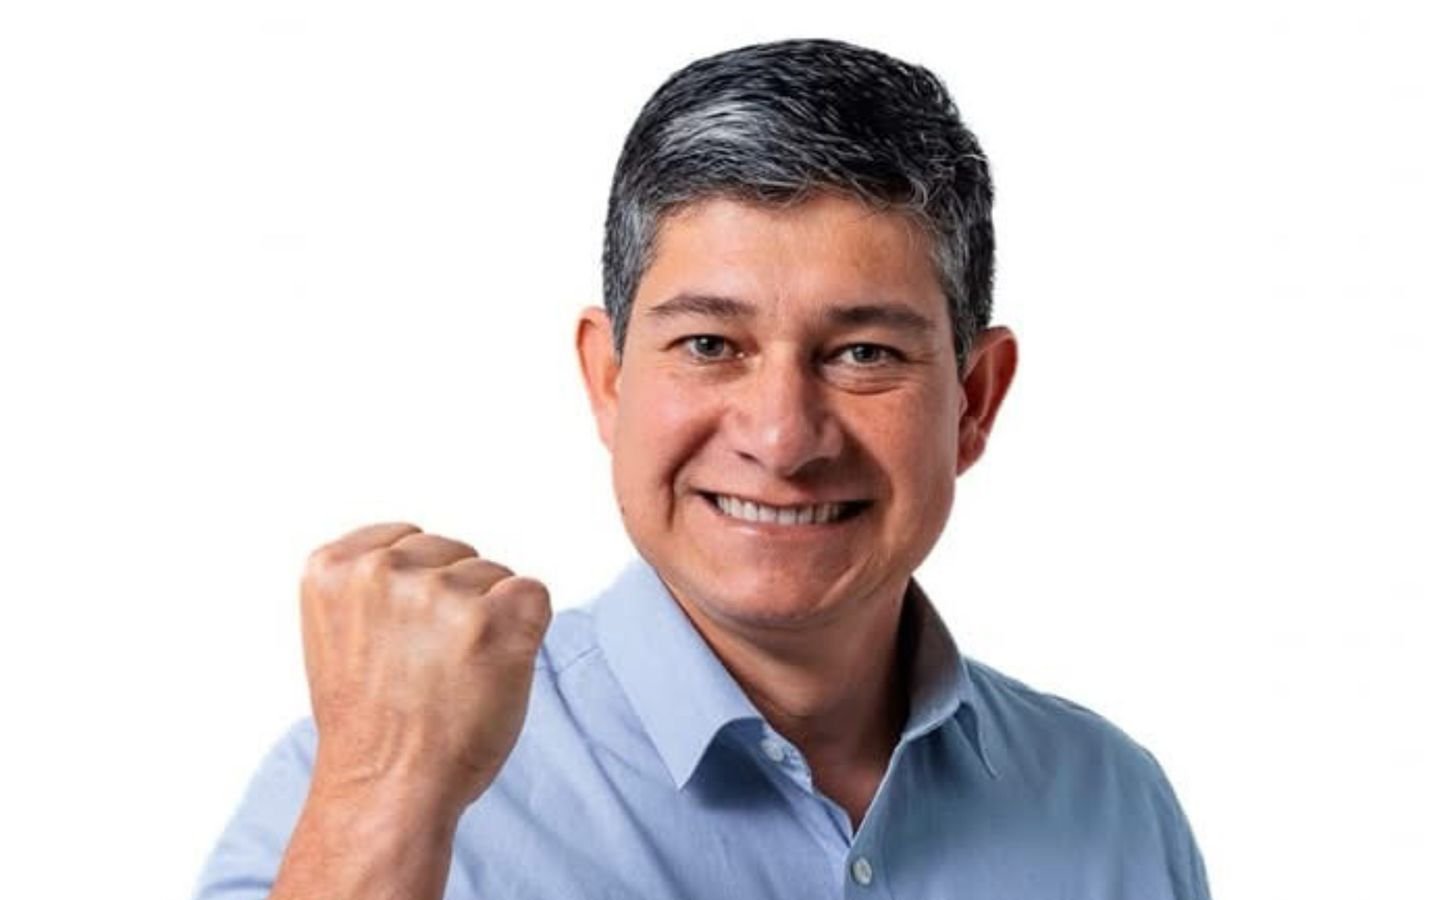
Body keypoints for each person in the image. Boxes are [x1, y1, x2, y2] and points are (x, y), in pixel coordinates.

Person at [193, 37, 1210, 900]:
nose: (782, 438)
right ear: (608, 380)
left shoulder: (1111, 805)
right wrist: (380, 799)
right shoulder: (367, 791)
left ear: (974, 401)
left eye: (863, 353)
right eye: (710, 345)